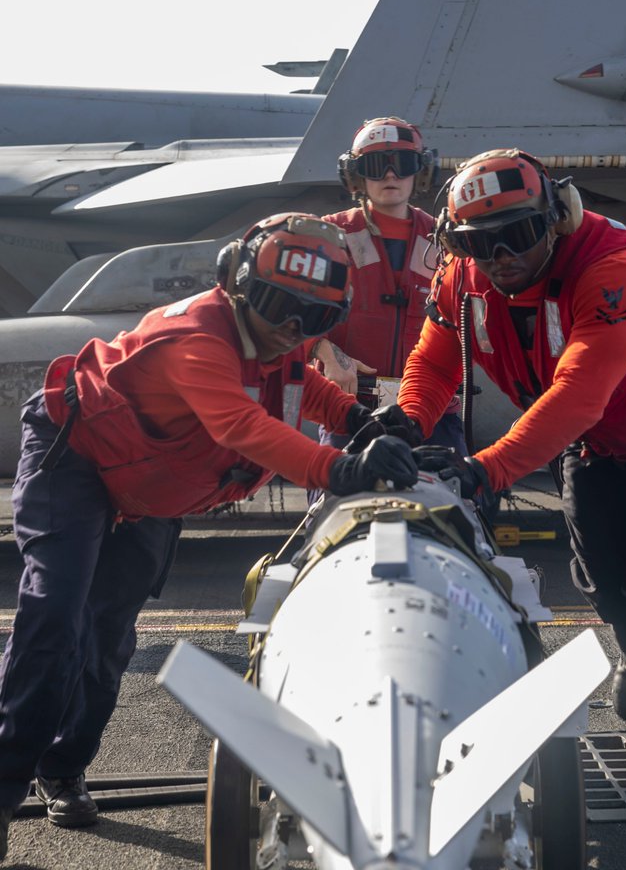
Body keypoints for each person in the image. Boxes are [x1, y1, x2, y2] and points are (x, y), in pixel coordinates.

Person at [0, 213, 417, 861]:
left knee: (107, 644)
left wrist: (364, 421)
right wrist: (341, 466)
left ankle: (62, 767)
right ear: (238, 286)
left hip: (149, 486)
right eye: (280, 307)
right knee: (54, 618)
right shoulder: (197, 337)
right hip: (76, 459)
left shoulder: (278, 341)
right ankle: (2, 789)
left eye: (313, 319)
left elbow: (299, 388)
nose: (291, 329)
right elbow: (241, 426)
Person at [393, 149, 626, 820]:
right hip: (595, 432)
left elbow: (580, 392)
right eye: (481, 244)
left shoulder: (612, 268)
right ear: (458, 246)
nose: (502, 256)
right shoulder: (461, 281)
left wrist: (488, 468)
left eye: (518, 235)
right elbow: (433, 360)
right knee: (603, 568)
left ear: (555, 219)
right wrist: (405, 423)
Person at [309, 116, 466, 455]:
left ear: (421, 170)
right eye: (377, 165)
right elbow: (287, 315)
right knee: (334, 500)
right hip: (348, 411)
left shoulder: (446, 240)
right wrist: (327, 354)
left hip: (433, 410)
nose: (391, 175)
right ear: (356, 175)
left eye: (403, 164)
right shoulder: (328, 237)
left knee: (459, 500)